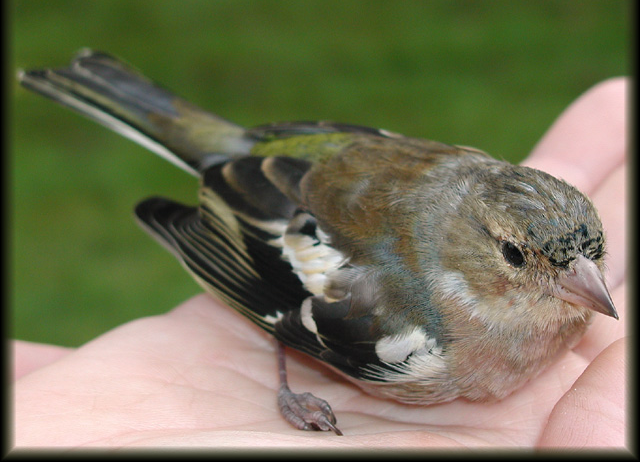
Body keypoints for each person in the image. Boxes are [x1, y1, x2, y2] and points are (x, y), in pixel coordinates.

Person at [12, 78, 627, 449]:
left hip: (326, 162)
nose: (586, 291)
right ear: (480, 238)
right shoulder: (415, 325)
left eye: (588, 266)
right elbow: (279, 300)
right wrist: (287, 387)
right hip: (275, 205)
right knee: (297, 318)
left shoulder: (476, 191)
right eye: (519, 257)